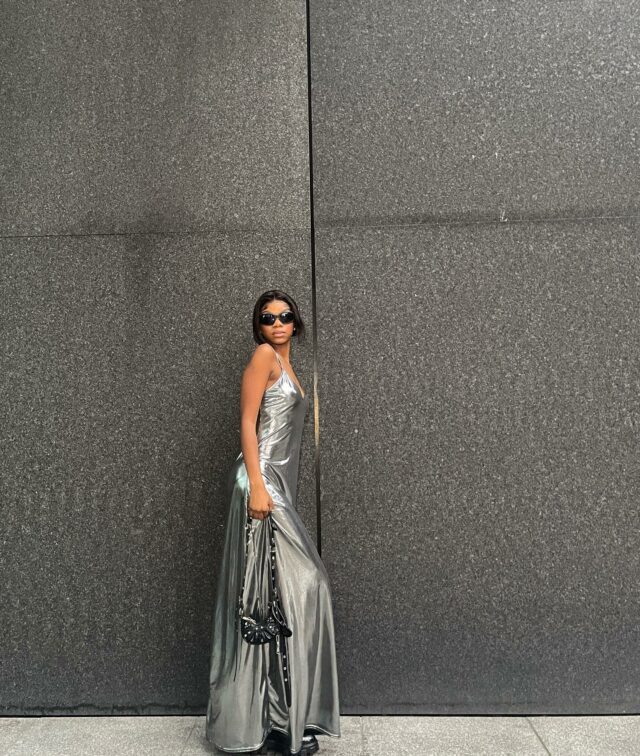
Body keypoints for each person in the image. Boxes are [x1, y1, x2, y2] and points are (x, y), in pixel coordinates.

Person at [205, 290, 341, 755]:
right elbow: (247, 424)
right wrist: (259, 488)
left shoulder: (288, 366)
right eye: (268, 317)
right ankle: (258, 723)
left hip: (275, 486)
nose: (277, 323)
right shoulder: (263, 356)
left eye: (285, 316)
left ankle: (281, 719)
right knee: (289, 590)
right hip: (259, 483)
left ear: (296, 323)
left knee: (279, 597)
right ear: (259, 325)